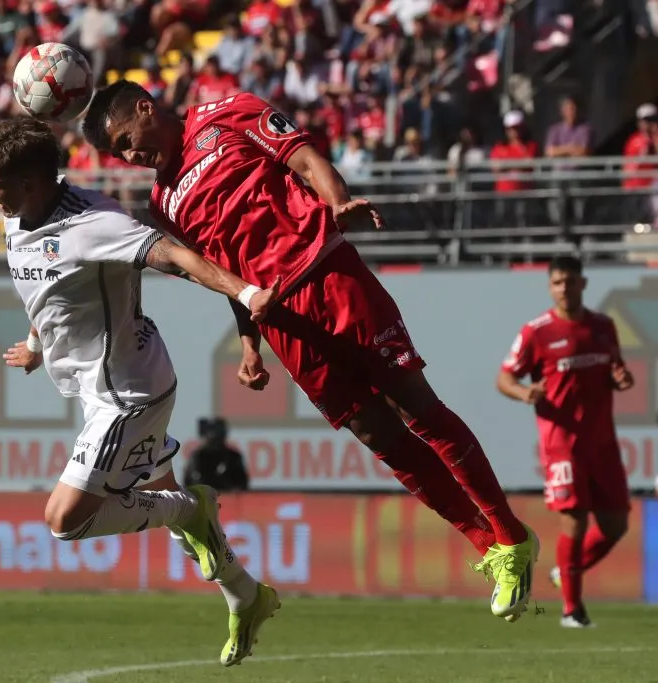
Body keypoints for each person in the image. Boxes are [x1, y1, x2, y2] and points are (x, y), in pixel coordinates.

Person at [82, 81, 539, 622]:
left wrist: (337, 200)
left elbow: (302, 157)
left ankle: (510, 536)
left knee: (418, 406)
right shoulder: (164, 201)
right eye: (120, 154)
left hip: (327, 278)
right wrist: (250, 344)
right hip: (279, 321)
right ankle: (488, 547)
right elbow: (224, 273)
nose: (132, 156)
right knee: (379, 437)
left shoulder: (225, 111)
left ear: (145, 107)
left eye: (129, 140)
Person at [0, 116, 281, 666]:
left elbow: (176, 255)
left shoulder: (95, 223)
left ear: (29, 182)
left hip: (129, 393)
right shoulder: (17, 216)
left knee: (65, 519)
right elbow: (47, 295)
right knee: (171, 511)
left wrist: (246, 291)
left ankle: (189, 507)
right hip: (107, 386)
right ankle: (245, 593)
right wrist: (37, 345)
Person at [496, 256, 633, 628]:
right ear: (550, 286)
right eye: (558, 282)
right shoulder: (536, 331)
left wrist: (621, 379)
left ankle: (565, 572)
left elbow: (615, 370)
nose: (565, 288)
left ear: (583, 284)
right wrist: (524, 393)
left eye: (571, 281)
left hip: (602, 443)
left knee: (615, 525)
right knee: (574, 521)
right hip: (562, 444)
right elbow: (505, 378)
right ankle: (572, 610)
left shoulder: (603, 327)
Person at [183, 417, 250, 491]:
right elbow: (191, 481)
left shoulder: (233, 457)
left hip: (228, 498)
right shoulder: (198, 456)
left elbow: (242, 484)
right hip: (201, 499)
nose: (214, 439)